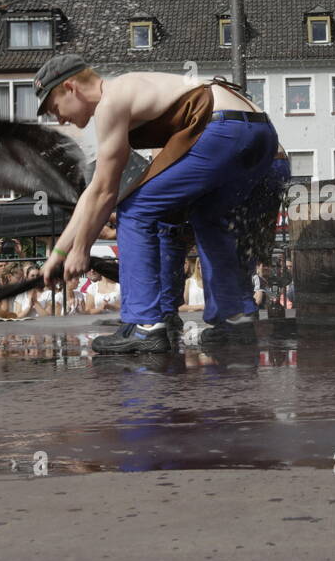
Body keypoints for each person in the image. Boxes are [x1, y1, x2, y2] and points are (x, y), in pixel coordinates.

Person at [34, 54, 280, 354]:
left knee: (134, 210)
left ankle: (144, 326)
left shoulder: (110, 101)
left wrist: (81, 249)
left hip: (221, 130)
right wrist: (59, 252)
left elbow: (105, 193)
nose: (59, 119)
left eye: (54, 108)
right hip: (261, 134)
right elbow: (93, 193)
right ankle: (235, 320)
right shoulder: (132, 87)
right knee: (208, 217)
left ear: (70, 87)